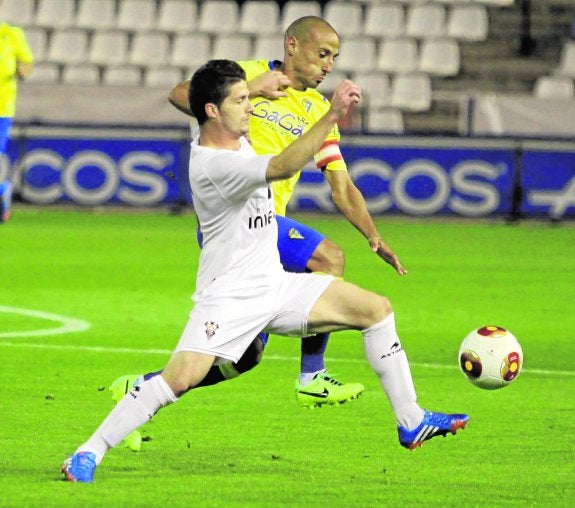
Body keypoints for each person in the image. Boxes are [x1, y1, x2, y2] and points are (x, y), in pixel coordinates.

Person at [61, 59, 468, 483]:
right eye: (240, 100)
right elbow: (283, 167)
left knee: (377, 310)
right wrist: (331, 114)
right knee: (178, 380)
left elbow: (200, 97)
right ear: (214, 112)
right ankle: (87, 452)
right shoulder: (215, 166)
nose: (250, 106)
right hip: (229, 297)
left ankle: (411, 420)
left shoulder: (222, 129)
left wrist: (254, 88)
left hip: (275, 285)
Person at [110, 17, 407, 422]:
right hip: (236, 227)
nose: (328, 66)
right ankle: (312, 377)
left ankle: (141, 386)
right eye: (322, 54)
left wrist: (373, 236)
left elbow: (341, 185)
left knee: (245, 358)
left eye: (334, 58)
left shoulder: (318, 109)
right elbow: (180, 94)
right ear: (292, 46)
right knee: (329, 258)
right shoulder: (247, 74)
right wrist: (253, 88)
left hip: (268, 233)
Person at [0, 8, 34, 223]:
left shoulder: (11, 34)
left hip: (2, 107)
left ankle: (2, 193)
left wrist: (21, 72)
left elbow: (27, 62)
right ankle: (3, 190)